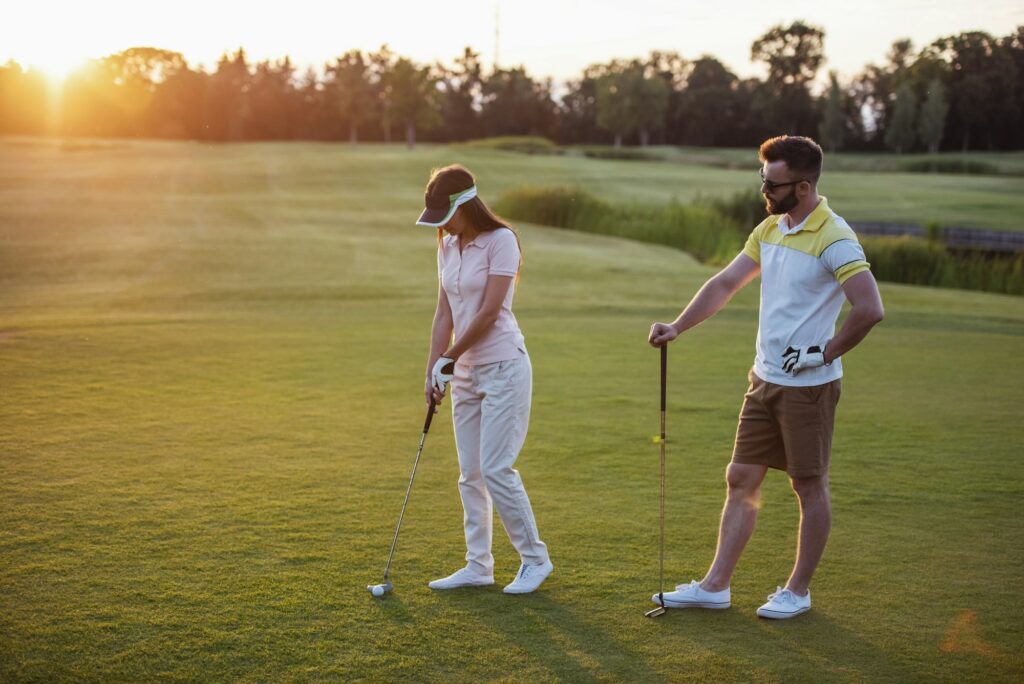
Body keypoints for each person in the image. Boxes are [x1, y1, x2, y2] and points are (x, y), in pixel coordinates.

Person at [647, 135, 884, 619]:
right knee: (741, 477)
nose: (764, 192)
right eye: (762, 181)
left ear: (802, 187)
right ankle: (715, 586)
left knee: (808, 485)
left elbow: (870, 308)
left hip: (808, 388)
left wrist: (824, 353)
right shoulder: (771, 228)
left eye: (772, 185)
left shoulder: (835, 237)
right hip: (764, 379)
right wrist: (678, 326)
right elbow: (725, 283)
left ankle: (797, 590)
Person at [415, 164, 553, 594]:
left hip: (504, 367)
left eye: (446, 214)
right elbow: (445, 312)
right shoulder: (447, 245)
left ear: (464, 204)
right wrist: (433, 365)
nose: (442, 225)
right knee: (469, 473)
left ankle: (535, 559)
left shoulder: (502, 241)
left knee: (495, 468)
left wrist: (449, 358)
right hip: (467, 374)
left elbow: (489, 312)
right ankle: (479, 565)